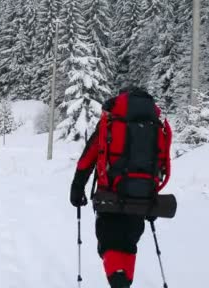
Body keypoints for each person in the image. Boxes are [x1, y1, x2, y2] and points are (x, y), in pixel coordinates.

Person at [69, 87, 171, 288]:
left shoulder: (111, 122)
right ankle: (124, 283)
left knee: (109, 243)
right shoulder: (155, 126)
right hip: (141, 199)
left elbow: (89, 156)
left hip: (111, 196)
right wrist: (151, 196)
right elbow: (161, 163)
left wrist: (77, 186)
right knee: (128, 244)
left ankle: (119, 284)